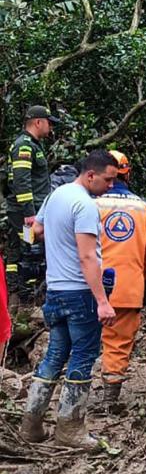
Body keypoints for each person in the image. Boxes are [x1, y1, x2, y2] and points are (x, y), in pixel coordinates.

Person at [18, 150, 119, 449]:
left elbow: (33, 232)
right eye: (108, 180)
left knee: (54, 356)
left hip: (55, 291)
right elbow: (88, 256)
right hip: (80, 294)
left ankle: (31, 425)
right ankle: (70, 428)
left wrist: (26, 229)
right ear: (91, 175)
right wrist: (102, 301)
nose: (111, 186)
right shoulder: (84, 205)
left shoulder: (55, 196)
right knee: (83, 357)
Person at [96, 151, 146, 403]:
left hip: (86, 287)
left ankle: (71, 405)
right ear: (128, 173)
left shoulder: (89, 206)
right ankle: (109, 399)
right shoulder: (145, 210)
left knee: (79, 342)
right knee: (117, 343)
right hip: (127, 289)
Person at [5, 105, 56, 317]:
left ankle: (20, 298)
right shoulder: (24, 146)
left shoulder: (33, 146)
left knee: (23, 250)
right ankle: (25, 301)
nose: (51, 127)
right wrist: (29, 212)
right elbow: (21, 181)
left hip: (32, 208)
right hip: (26, 211)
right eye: (49, 122)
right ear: (38, 122)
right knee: (29, 251)